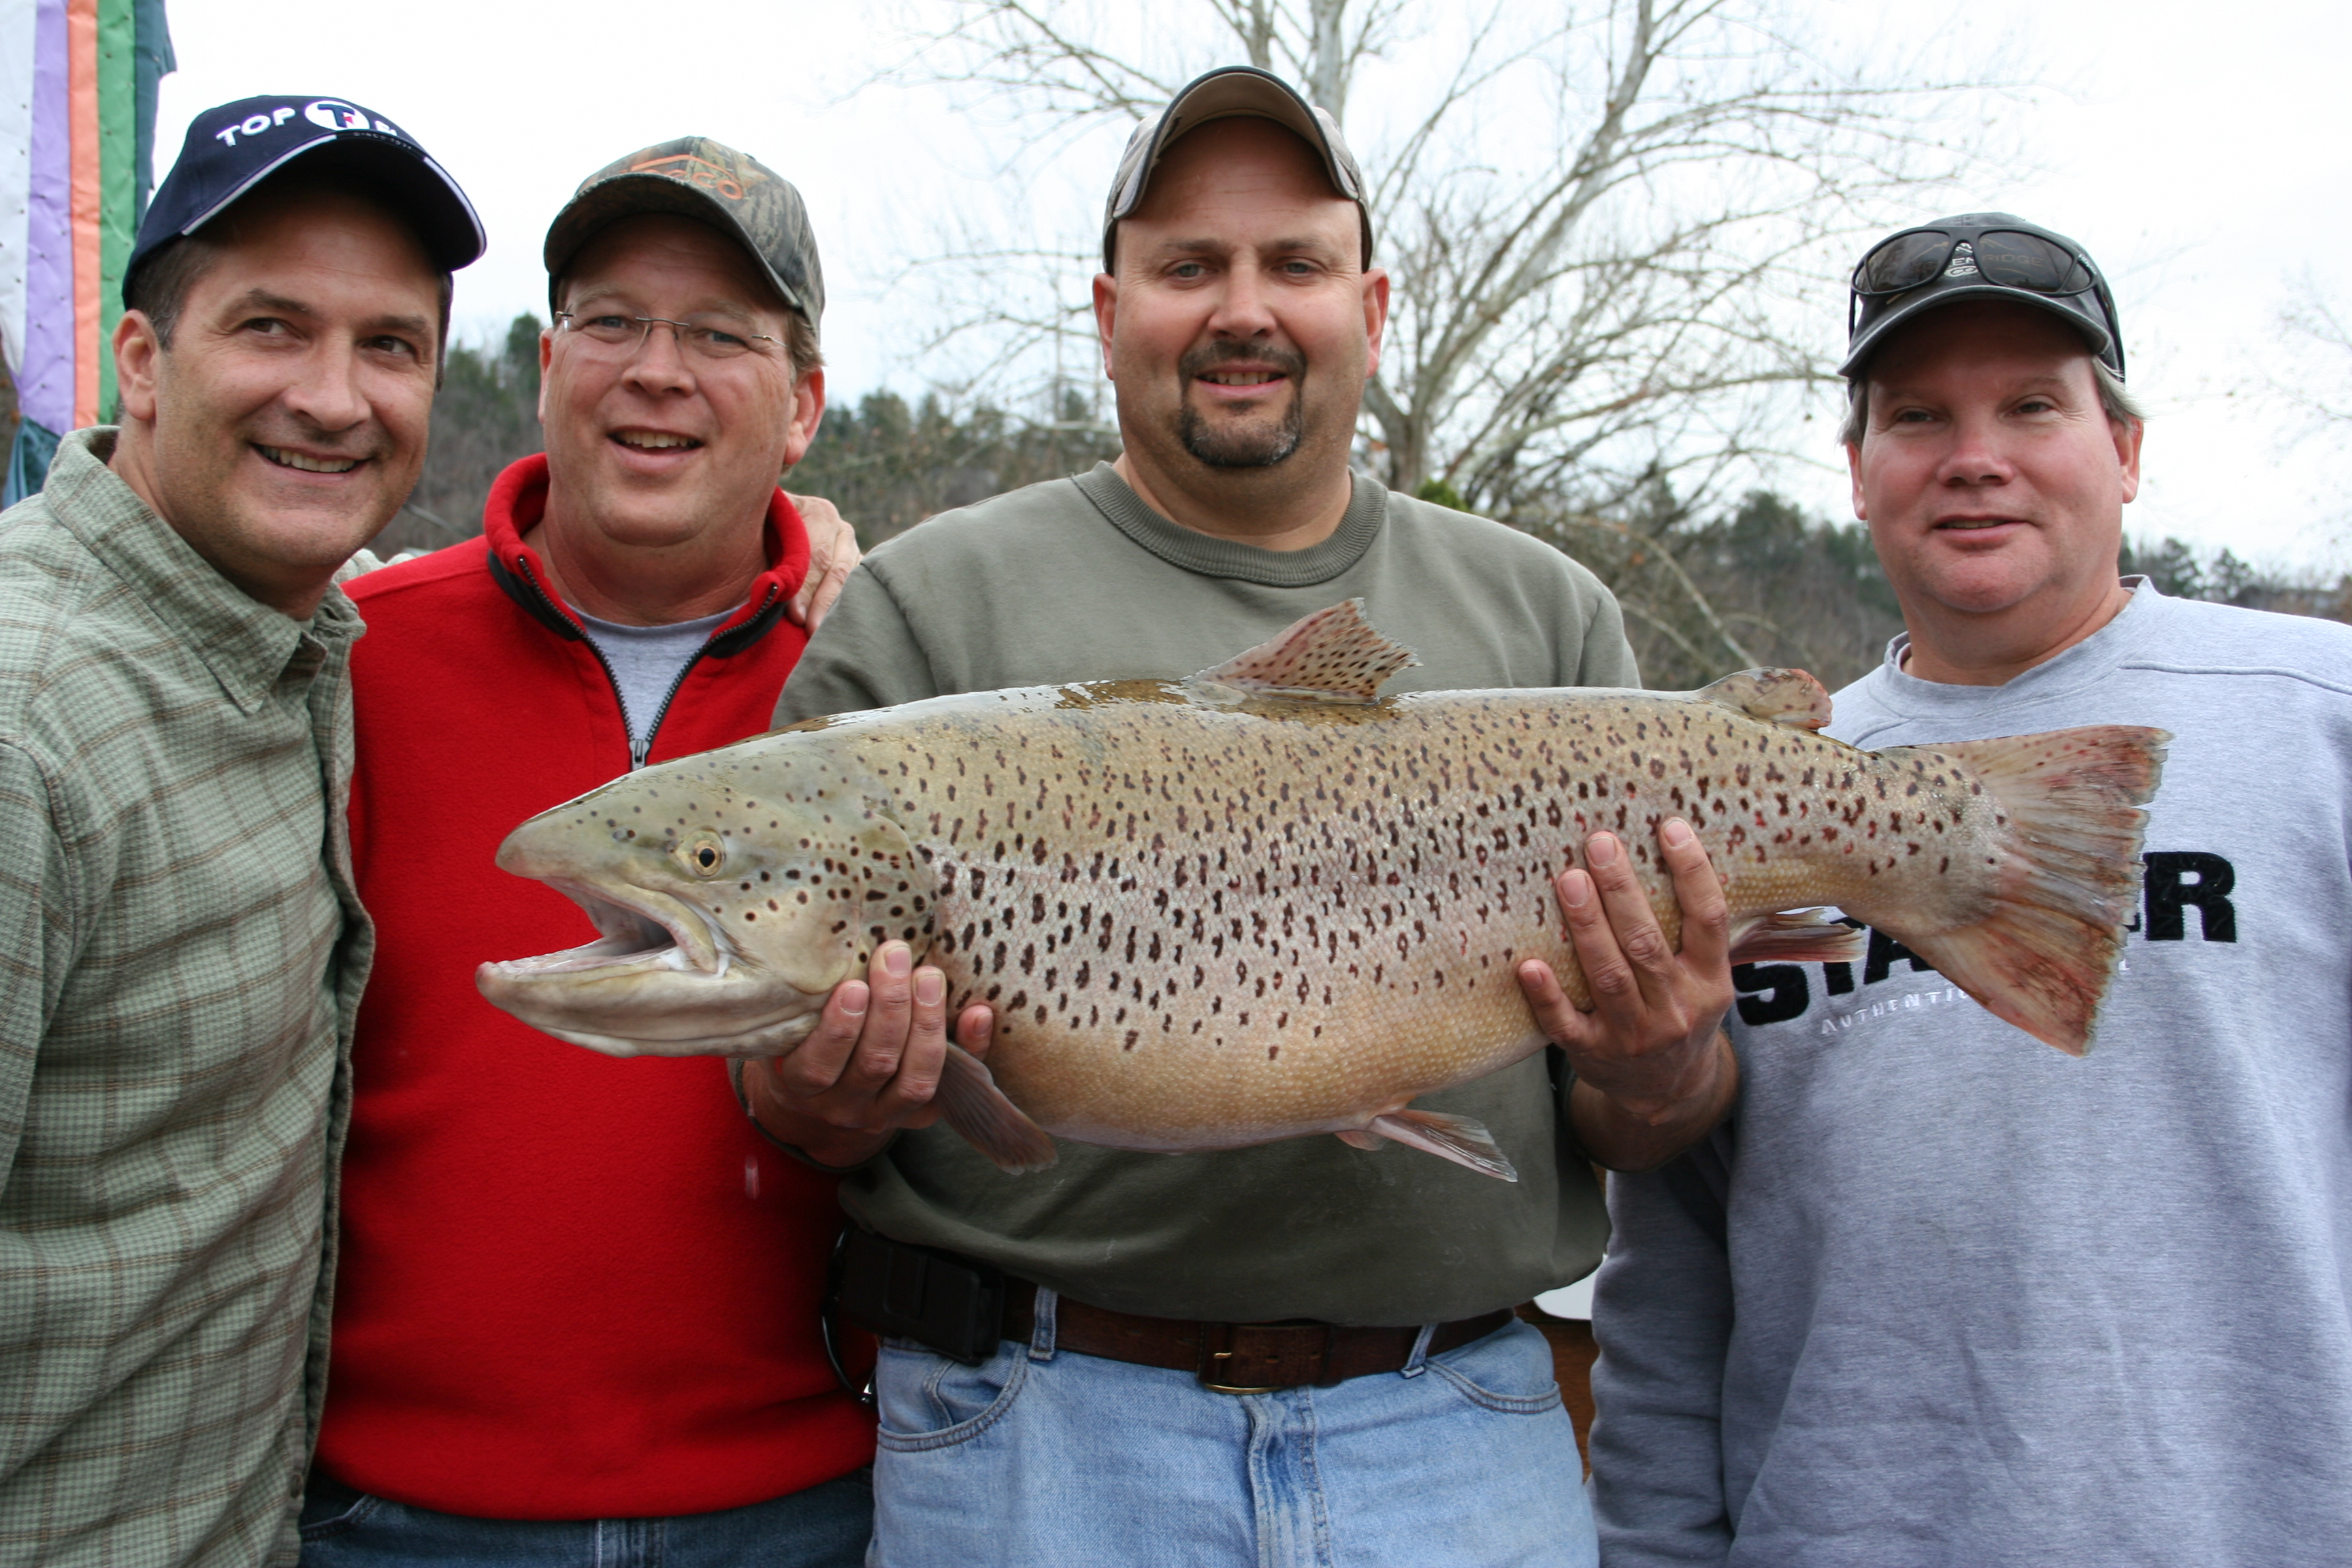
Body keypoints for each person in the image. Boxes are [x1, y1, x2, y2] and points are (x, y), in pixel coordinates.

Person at [762, 67, 1738, 1568]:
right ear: (1108, 314)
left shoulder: (1549, 618)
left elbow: (1645, 1118)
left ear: (1372, 308)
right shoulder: (930, 604)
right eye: (1187, 267)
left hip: (1458, 1430)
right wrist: (829, 1085)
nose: (1242, 310)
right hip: (1031, 1433)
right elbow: (779, 1096)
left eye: (1295, 264)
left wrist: (1663, 1060)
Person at [1588, 215, 2352, 1567]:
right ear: (1858, 471)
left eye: (2033, 406)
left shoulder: (2322, 721)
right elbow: (1670, 1272)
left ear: (2125, 449)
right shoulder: (1717, 792)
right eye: (1919, 415)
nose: (1975, 457)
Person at [299, 140, 873, 1566]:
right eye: (612, 321)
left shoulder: (882, 686)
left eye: (721, 335)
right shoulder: (352, 663)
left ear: (803, 407)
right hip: (393, 1521)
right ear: (550, 366)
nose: (657, 371)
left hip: (804, 1509)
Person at [0, 97, 482, 1565]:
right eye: (272, 327)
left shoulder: (296, 641)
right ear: (142, 362)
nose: (334, 399)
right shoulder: (29, 722)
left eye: (389, 345)